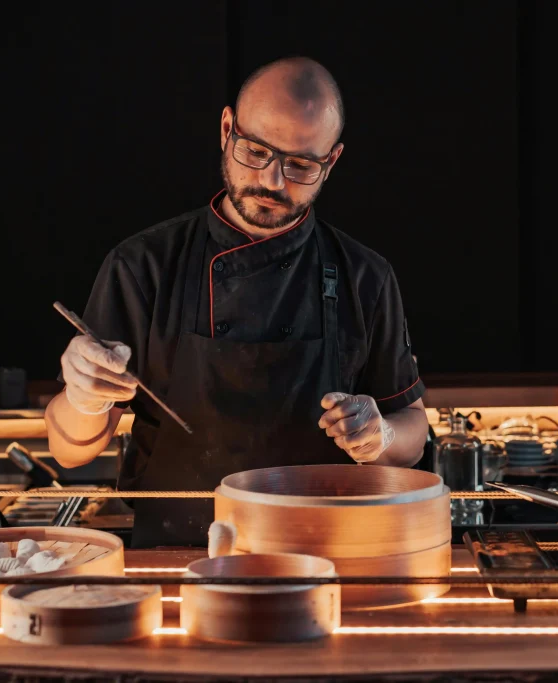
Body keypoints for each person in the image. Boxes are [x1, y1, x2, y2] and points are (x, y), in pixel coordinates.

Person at [45, 56, 428, 547]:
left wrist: (383, 438)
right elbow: (69, 450)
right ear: (227, 129)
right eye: (256, 151)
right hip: (176, 559)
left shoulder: (366, 277)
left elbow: (413, 433)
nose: (272, 181)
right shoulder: (142, 266)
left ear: (331, 162)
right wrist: (84, 397)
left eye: (300, 164)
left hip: (327, 559)